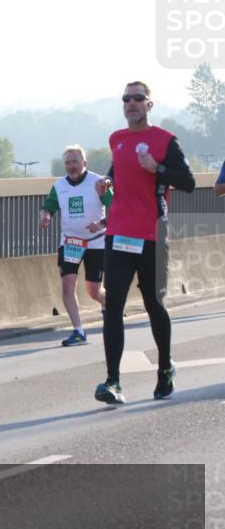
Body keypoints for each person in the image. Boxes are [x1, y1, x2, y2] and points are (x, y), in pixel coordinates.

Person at [93, 82, 196, 405]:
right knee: (113, 307)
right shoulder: (117, 140)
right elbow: (117, 170)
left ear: (149, 105)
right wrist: (108, 181)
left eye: (138, 98)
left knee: (154, 305)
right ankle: (113, 382)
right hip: (119, 235)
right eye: (126, 99)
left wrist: (158, 168)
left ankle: (165, 369)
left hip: (152, 234)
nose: (131, 103)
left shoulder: (165, 141)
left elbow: (189, 183)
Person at [39, 145, 110, 346]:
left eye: (75, 162)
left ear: (84, 163)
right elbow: (48, 207)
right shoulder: (59, 186)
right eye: (68, 163)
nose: (71, 166)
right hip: (70, 242)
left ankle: (108, 303)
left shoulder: (98, 183)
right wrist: (45, 217)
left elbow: (117, 209)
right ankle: (78, 331)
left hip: (95, 243)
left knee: (93, 291)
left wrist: (101, 225)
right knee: (68, 285)